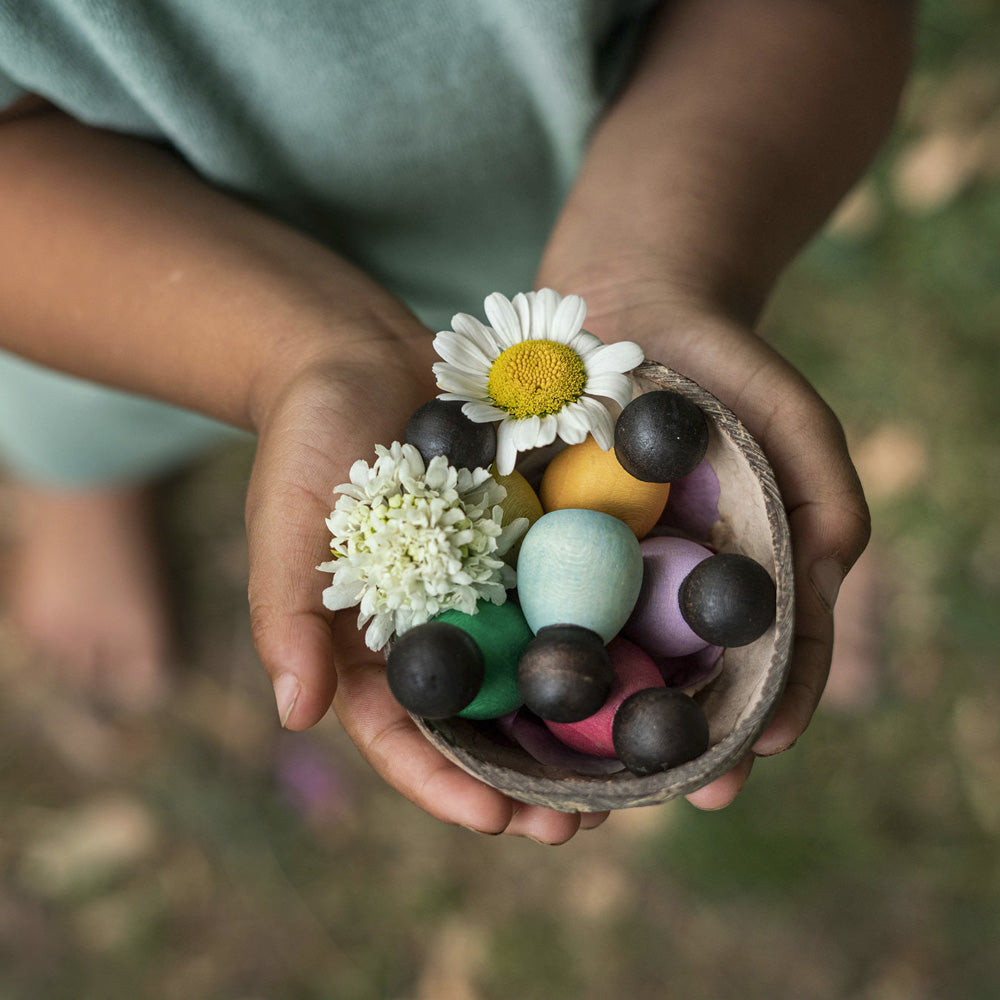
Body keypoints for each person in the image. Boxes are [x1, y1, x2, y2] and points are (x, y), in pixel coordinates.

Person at [0, 0, 913, 843]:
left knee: (664, 405)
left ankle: (91, 464)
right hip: (139, 246)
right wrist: (303, 357)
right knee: (97, 403)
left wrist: (658, 270)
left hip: (625, 184)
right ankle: (84, 476)